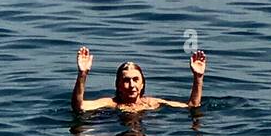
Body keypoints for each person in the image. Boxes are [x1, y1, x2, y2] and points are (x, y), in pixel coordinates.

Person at [72, 46, 206, 113]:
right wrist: (82, 74)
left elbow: (192, 106)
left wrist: (198, 77)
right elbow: (79, 106)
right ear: (118, 85)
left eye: (135, 79)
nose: (131, 85)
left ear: (142, 84)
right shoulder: (110, 104)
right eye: (126, 80)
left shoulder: (153, 103)